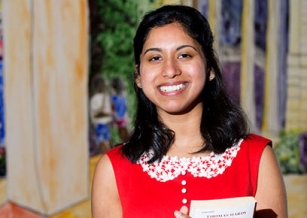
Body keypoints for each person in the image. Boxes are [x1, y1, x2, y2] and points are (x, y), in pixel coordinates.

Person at [91, 5, 287, 218]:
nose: (170, 70)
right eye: (155, 58)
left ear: (210, 67)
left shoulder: (256, 158)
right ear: (138, 76)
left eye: (184, 55)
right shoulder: (113, 169)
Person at [89, 75, 113, 152]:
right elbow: (108, 113)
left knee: (106, 144)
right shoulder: (102, 97)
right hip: (103, 124)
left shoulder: (98, 98)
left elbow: (94, 115)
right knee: (107, 143)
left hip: (101, 124)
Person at [110, 76, 129, 142]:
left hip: (117, 120)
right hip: (123, 120)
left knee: (122, 138)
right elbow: (125, 109)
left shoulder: (113, 98)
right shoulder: (123, 97)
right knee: (125, 137)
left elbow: (113, 110)